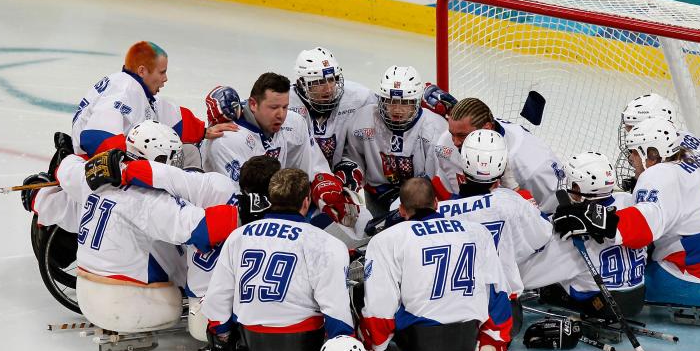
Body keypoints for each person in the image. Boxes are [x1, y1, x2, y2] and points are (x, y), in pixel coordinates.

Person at [553, 118, 700, 307]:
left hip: (697, 284)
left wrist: (594, 218)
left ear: (651, 153)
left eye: (634, 152)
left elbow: (644, 226)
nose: (631, 159)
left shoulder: (659, 175)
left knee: (620, 280)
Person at [51, 121, 250, 334]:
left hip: (85, 291)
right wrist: (246, 210)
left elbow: (65, 168)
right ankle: (208, 317)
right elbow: (206, 230)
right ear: (160, 159)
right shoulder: (149, 201)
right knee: (196, 246)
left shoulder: (91, 177)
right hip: (131, 302)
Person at [83, 149, 282, 341]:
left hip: (91, 284)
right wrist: (245, 214)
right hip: (220, 318)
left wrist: (125, 170)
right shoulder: (152, 203)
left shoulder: (217, 185)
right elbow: (201, 229)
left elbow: (170, 176)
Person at [202, 168, 355, 351]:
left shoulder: (238, 236)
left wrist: (223, 342)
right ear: (305, 202)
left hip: (252, 342)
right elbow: (335, 307)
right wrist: (344, 350)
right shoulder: (325, 243)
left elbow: (218, 297)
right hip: (303, 344)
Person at [361, 177, 512, 351]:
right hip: (466, 340)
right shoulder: (478, 232)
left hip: (418, 343)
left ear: (402, 210)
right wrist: (495, 341)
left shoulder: (387, 239)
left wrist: (377, 348)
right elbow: (497, 291)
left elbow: (380, 304)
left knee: (365, 292)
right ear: (436, 203)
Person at [433, 129, 553, 335]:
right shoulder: (513, 202)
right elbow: (542, 237)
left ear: (463, 163)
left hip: (450, 315)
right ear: (502, 167)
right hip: (503, 317)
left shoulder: (439, 211)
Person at [201, 73, 359, 227]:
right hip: (230, 221)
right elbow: (240, 204)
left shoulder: (294, 122)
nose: (281, 115)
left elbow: (311, 167)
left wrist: (323, 187)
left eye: (285, 107)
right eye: (274, 107)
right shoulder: (227, 140)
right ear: (253, 104)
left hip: (276, 207)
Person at [520, 151, 646, 319]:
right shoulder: (630, 201)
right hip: (637, 297)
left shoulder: (572, 230)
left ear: (578, 187)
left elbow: (525, 279)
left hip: (603, 305)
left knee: (544, 284)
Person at [70, 41, 234, 157]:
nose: (165, 78)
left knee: (186, 152)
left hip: (101, 163)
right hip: (92, 169)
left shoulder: (130, 86)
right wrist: (122, 166)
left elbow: (161, 113)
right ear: (142, 71)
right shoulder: (124, 91)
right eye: (162, 72)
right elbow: (96, 136)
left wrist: (203, 131)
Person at [344, 65, 447, 217]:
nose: (397, 109)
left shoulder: (434, 128)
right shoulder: (364, 119)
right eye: (390, 101)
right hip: (378, 195)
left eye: (405, 103)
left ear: (417, 102)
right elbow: (353, 158)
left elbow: (438, 180)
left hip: (418, 201)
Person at [433, 97, 563, 213]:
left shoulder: (532, 167)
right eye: (452, 133)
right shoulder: (445, 143)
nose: (454, 142)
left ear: (487, 128)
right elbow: (448, 196)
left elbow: (552, 220)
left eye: (462, 136)